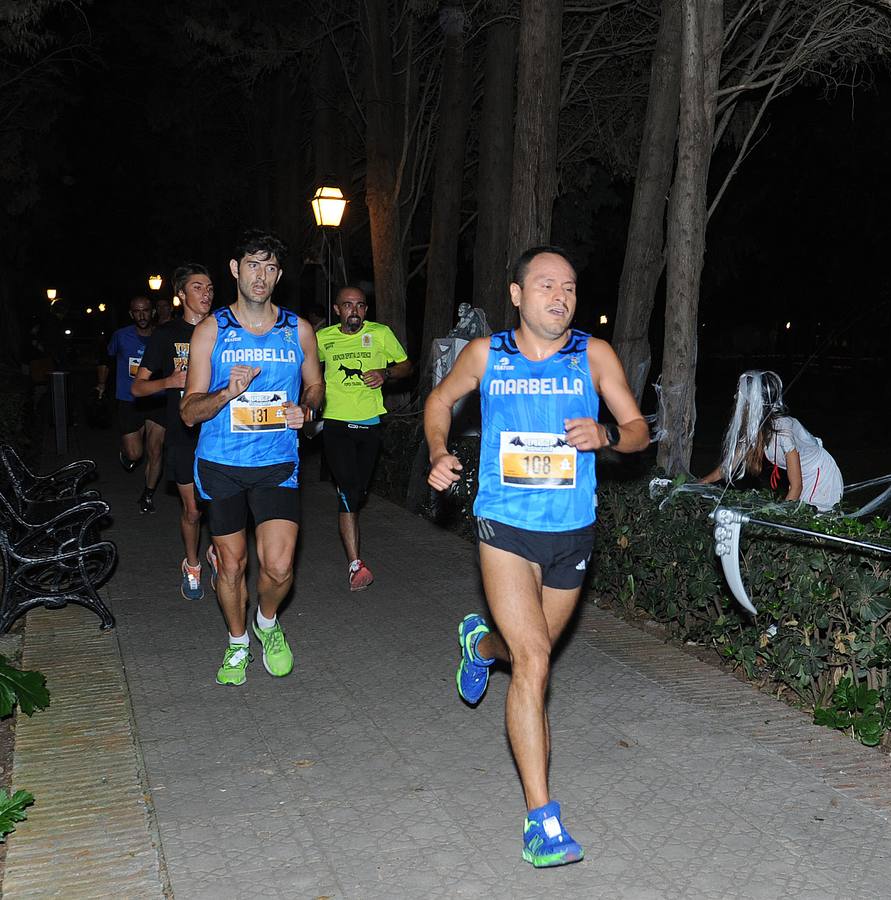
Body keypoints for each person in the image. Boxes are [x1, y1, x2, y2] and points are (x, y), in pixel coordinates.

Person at [425, 246, 648, 868]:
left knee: (528, 653)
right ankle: (541, 821)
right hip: (505, 526)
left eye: (570, 287)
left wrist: (605, 434)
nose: (561, 296)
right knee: (536, 661)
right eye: (546, 285)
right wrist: (439, 452)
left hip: (572, 532)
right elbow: (438, 402)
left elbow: (638, 430)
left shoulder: (593, 355)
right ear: (517, 295)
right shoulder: (486, 354)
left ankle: (478, 645)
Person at [181, 230, 324, 687]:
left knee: (280, 567)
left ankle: (266, 622)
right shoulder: (212, 330)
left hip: (277, 462)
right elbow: (188, 411)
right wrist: (228, 392)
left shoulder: (297, 329)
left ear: (278, 275)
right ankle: (238, 642)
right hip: (221, 465)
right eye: (252, 265)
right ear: (234, 269)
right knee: (233, 563)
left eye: (269, 267)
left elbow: (316, 386)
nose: (260, 276)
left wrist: (309, 410)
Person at [315, 286, 412, 590]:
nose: (353, 311)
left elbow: (407, 365)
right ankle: (356, 564)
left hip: (370, 423)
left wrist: (386, 373)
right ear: (336, 309)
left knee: (358, 492)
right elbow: (305, 371)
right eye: (347, 305)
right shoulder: (323, 339)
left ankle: (350, 507)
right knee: (348, 489)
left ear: (365, 311)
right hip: (336, 423)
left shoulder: (380, 333)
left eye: (359, 306)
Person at [134, 264, 216, 600]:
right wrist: (168, 381)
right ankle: (193, 564)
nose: (206, 294)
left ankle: (219, 552)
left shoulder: (222, 330)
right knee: (193, 510)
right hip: (183, 433)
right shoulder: (166, 335)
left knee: (221, 506)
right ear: (181, 295)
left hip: (218, 432)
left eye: (210, 287)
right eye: (197, 288)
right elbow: (138, 387)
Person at [698, 370, 844, 511]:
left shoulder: (782, 431)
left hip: (819, 475)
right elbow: (728, 467)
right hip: (803, 477)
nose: (735, 397)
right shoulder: (755, 428)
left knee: (809, 521)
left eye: (740, 395)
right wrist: (701, 483)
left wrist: (782, 517)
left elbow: (796, 486)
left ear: (752, 403)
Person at [97, 295, 167, 512]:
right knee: (136, 454)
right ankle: (126, 454)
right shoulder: (121, 336)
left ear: (152, 312)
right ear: (131, 314)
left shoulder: (162, 336)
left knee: (155, 450)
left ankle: (147, 494)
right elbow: (106, 360)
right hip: (130, 400)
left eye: (145, 310)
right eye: (137, 311)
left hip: (157, 400)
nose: (142, 315)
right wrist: (101, 384)